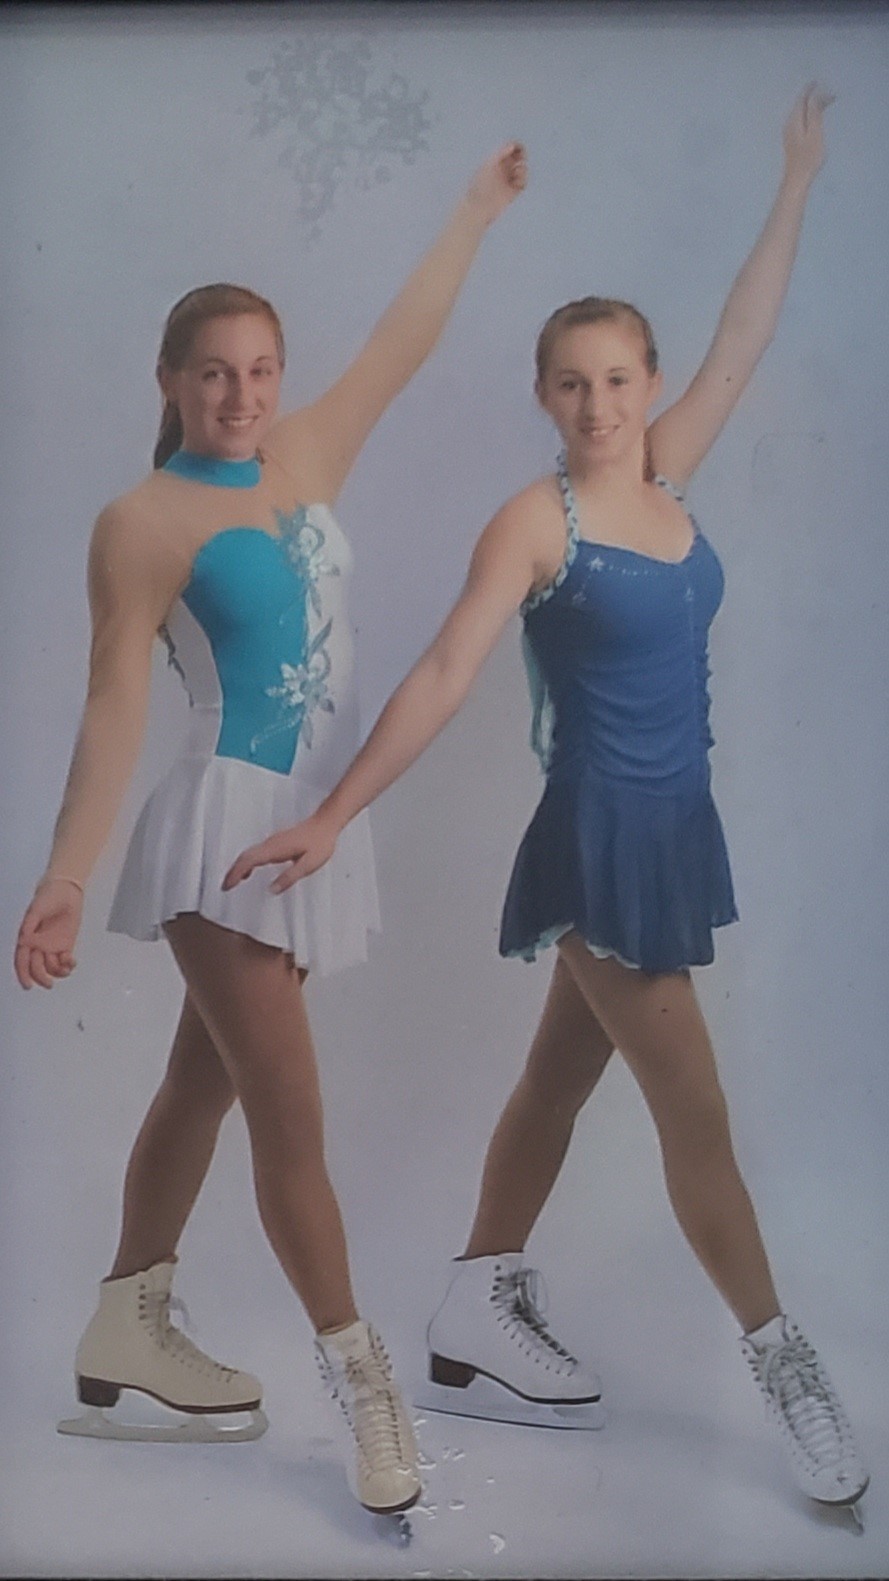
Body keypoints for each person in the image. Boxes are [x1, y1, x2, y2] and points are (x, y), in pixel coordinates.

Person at [222, 88, 869, 1523]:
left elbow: (748, 330)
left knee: (556, 1079)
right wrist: (333, 811)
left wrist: (795, 181)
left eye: (618, 379)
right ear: (544, 395)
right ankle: (784, 1363)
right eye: (570, 384)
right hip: (595, 838)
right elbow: (451, 666)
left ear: (647, 384)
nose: (598, 404)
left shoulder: (668, 474)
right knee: (693, 1115)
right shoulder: (540, 522)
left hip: (669, 827)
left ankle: (469, 1309)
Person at [13, 142, 527, 1519]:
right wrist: (65, 876)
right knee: (291, 1121)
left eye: (259, 369)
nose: (240, 394)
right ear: (170, 383)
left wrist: (472, 215)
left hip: (314, 826)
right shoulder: (143, 519)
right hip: (224, 838)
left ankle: (127, 1318)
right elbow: (116, 706)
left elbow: (399, 343)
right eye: (212, 372)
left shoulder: (301, 453)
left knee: (202, 1084)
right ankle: (363, 1384)